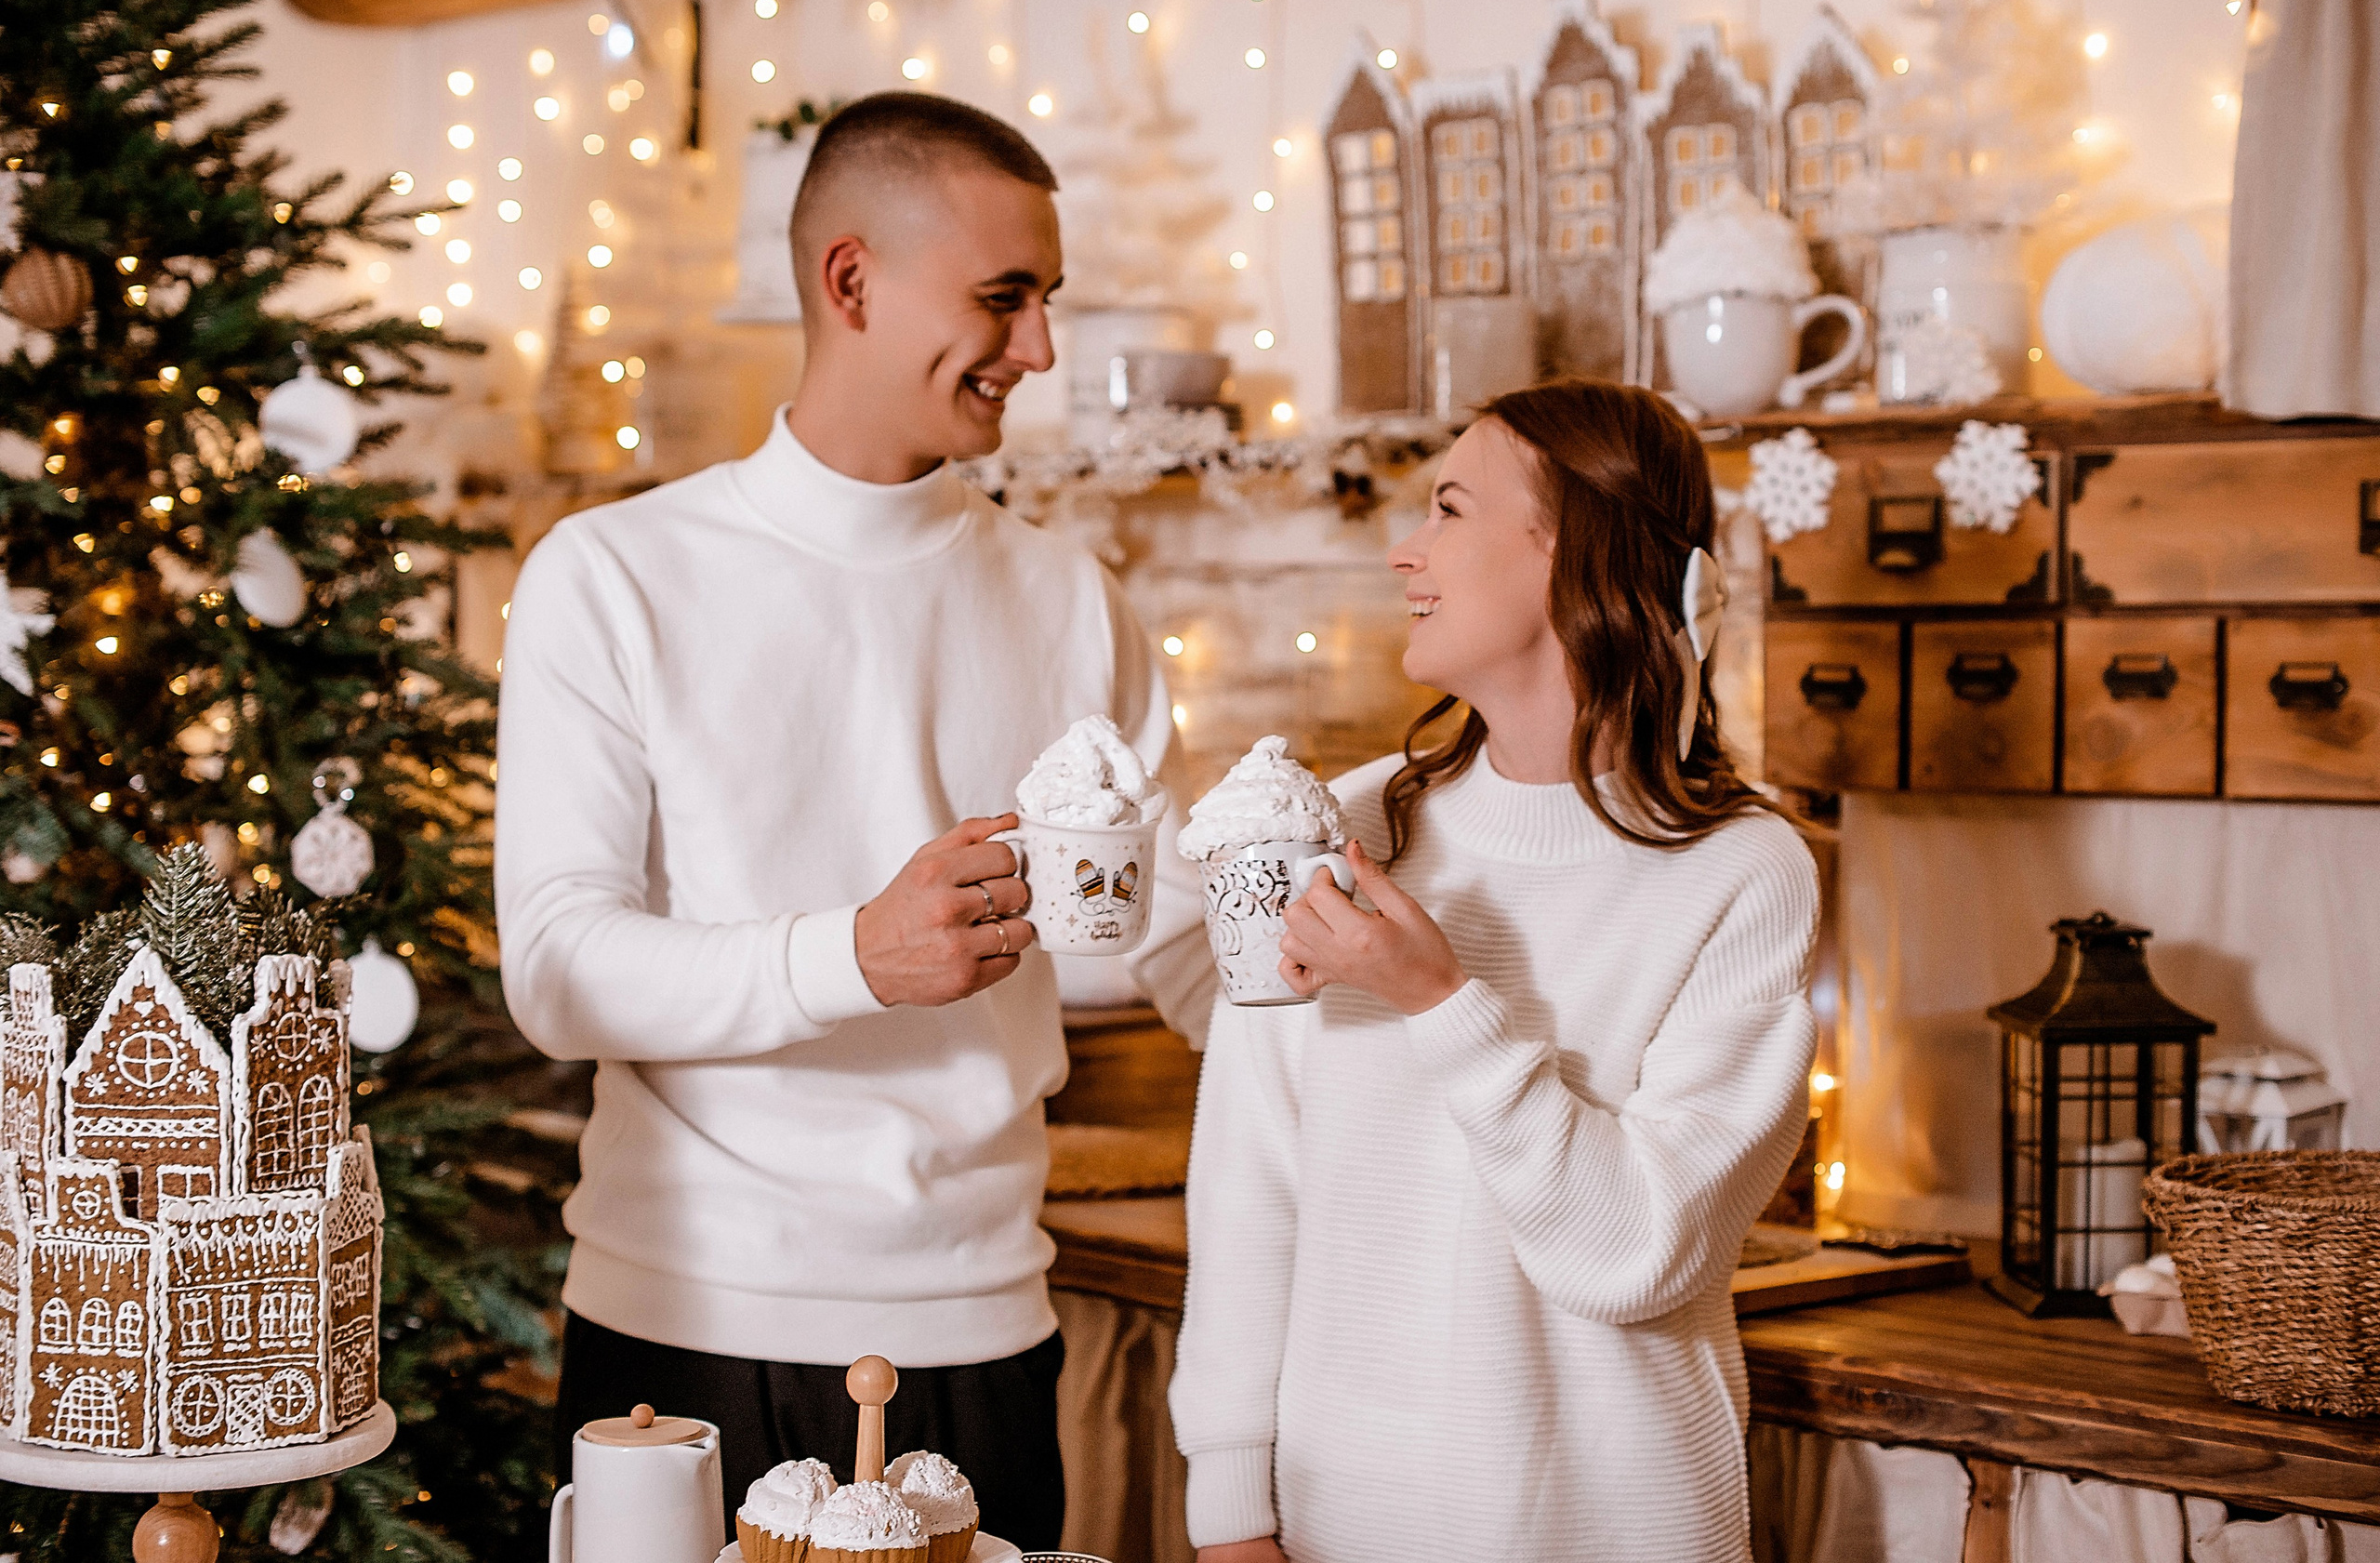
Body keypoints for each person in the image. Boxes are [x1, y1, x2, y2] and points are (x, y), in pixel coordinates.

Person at [496, 92, 1207, 1547]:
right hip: (684, 1330)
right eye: (1004, 300)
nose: (1041, 350)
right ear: (850, 280)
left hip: (985, 1336)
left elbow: (1183, 944)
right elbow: (557, 970)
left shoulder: (1074, 599)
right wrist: (855, 957)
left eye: (1048, 303)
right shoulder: (612, 574)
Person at [1169, 379, 1819, 1563]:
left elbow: (1641, 1250)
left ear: (1578, 553)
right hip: (1338, 1521)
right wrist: (1228, 1508)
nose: (1404, 552)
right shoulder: (1335, 829)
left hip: (1625, 1522)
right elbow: (1250, 1184)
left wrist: (1439, 998)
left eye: (1450, 508)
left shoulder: (1743, 869)